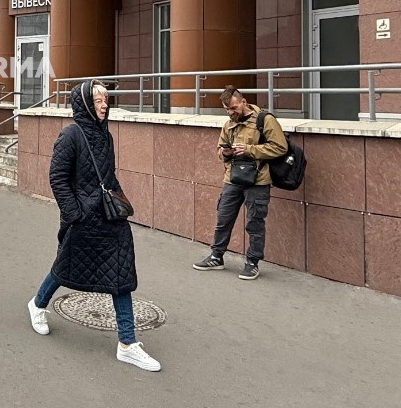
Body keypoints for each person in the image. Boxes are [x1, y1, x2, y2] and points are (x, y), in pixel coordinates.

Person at [26, 79, 161, 371]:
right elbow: (57, 178)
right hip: (82, 218)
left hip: (110, 217)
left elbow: (108, 175)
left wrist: (119, 200)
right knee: (65, 266)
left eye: (105, 100)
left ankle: (127, 343)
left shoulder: (106, 135)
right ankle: (37, 304)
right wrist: (75, 214)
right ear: (86, 103)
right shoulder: (70, 135)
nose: (104, 106)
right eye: (98, 101)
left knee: (121, 272)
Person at [192, 84, 289, 280]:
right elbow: (220, 150)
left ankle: (252, 263)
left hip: (258, 180)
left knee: (255, 222)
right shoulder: (228, 124)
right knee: (223, 218)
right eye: (226, 109)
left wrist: (249, 149)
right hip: (233, 177)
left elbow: (280, 147)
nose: (230, 112)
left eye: (233, 108)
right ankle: (216, 256)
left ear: (243, 102)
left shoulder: (264, 120)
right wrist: (225, 152)